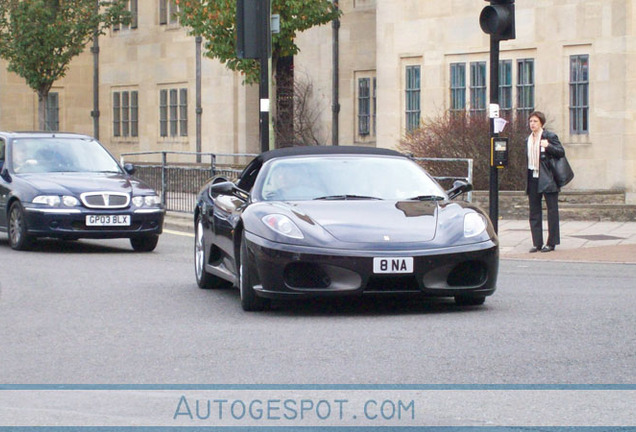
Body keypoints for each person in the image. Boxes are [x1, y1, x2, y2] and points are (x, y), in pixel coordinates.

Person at [526, 111, 565, 253]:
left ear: (541, 123)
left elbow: (561, 152)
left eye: (535, 121)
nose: (532, 124)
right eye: (531, 121)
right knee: (534, 211)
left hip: (548, 177)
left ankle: (551, 242)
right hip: (533, 177)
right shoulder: (528, 139)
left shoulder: (549, 136)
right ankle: (537, 243)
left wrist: (548, 146)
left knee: (552, 211)